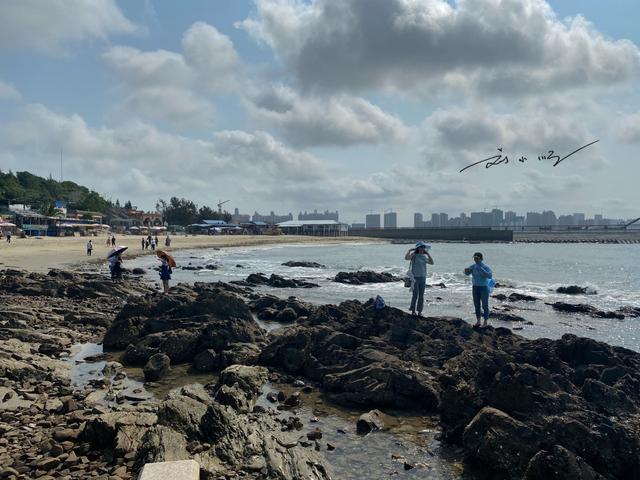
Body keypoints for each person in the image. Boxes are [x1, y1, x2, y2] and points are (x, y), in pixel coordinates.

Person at [404, 241, 434, 316]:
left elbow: (432, 262)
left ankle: (420, 311)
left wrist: (427, 254)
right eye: (421, 247)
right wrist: (409, 250)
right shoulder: (414, 255)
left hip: (423, 278)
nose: (422, 249)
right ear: (417, 248)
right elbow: (406, 258)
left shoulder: (424, 257)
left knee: (421, 296)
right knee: (415, 295)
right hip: (415, 278)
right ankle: (413, 310)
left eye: (423, 247)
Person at [464, 252, 493, 328]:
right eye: (474, 258)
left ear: (481, 258)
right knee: (476, 305)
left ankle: (485, 321)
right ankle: (478, 321)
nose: (475, 259)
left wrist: (481, 269)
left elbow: (490, 276)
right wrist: (466, 270)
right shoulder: (473, 266)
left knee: (484, 305)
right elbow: (466, 273)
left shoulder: (485, 266)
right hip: (475, 287)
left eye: (477, 258)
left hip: (484, 287)